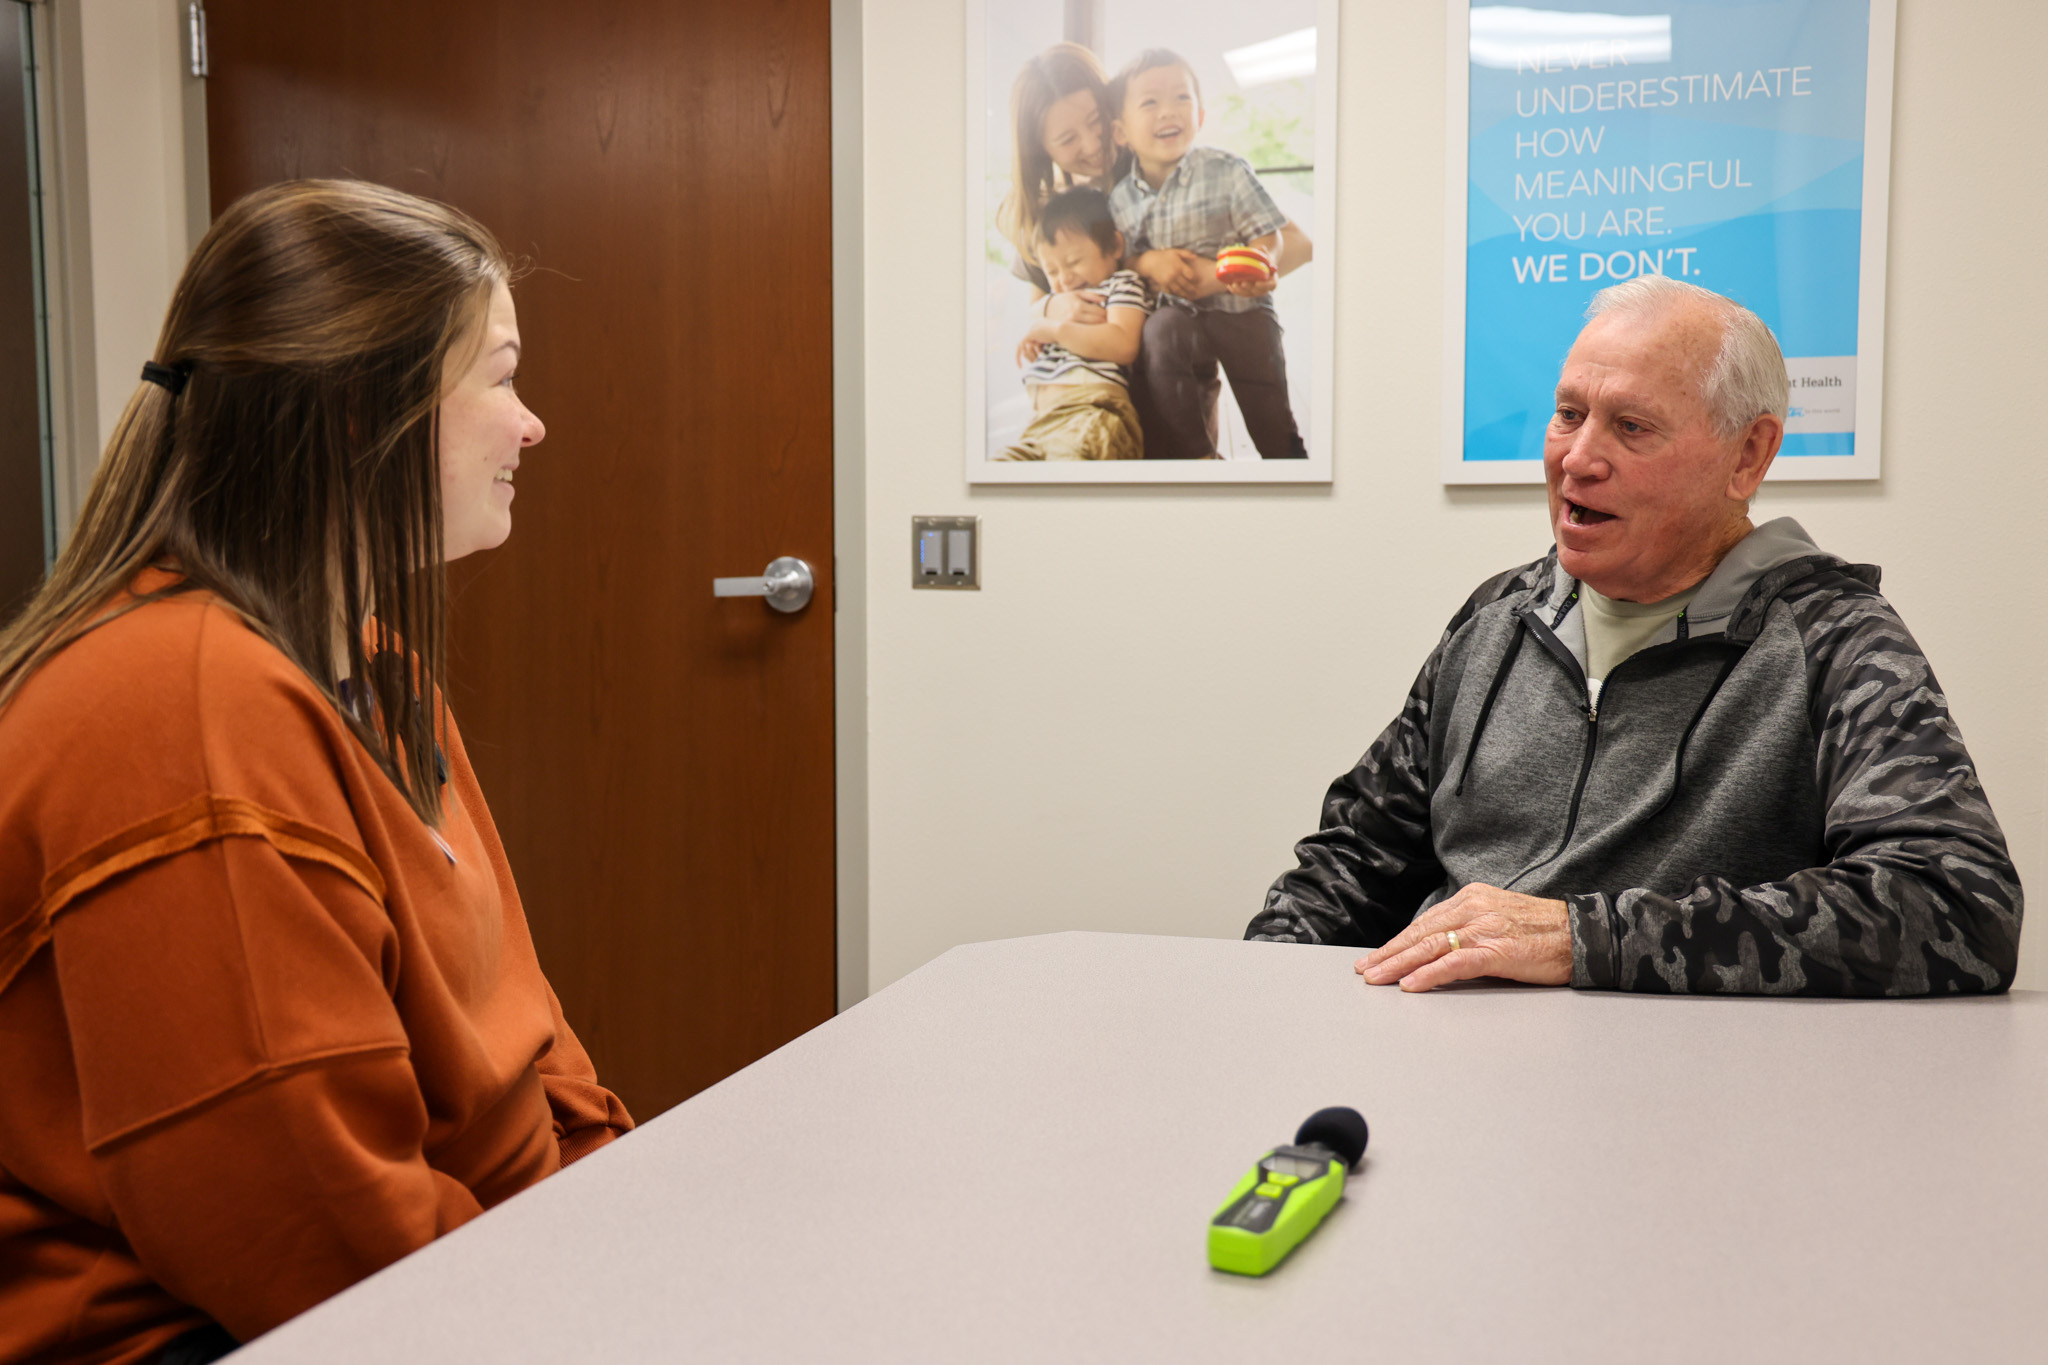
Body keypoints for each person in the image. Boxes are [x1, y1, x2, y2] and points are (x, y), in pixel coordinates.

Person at [0, 180, 633, 1365]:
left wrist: (627, 1219)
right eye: (499, 377)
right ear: (362, 415)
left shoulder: (368, 668)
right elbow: (307, 1232)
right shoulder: (176, 712)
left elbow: (528, 1038)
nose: (532, 423)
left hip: (468, 1278)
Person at [1246, 275, 2023, 995]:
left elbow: (1957, 903)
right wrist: (1260, 996)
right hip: (1439, 1070)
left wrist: (1583, 937)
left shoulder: (1835, 639)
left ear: (1748, 456)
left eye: (1631, 427)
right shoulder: (1497, 620)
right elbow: (1352, 863)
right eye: (1569, 414)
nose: (1578, 459)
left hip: (1677, 1096)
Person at [1106, 48, 1312, 459]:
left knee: (1270, 416)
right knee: (1160, 331)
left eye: (1182, 98)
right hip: (1177, 320)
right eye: (1150, 102)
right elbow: (1122, 259)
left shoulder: (1227, 169)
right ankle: (1200, 455)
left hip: (1242, 311)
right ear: (1121, 132)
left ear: (1199, 116)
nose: (1169, 111)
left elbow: (1268, 233)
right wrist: (1144, 261)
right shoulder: (1121, 200)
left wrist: (1263, 264)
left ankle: (1288, 462)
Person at [996, 187, 1152, 462]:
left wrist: (1055, 331)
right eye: (1052, 271)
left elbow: (1123, 344)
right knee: (1003, 468)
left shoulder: (1121, 284)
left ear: (1114, 246)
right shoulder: (1056, 303)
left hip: (1094, 412)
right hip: (1041, 422)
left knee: (1064, 473)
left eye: (1074, 262)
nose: (1064, 279)